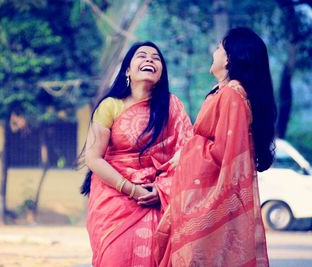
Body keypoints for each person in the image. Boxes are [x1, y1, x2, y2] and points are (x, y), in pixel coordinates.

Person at [154, 27, 276, 266]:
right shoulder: (228, 93)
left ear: (230, 58)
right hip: (208, 192)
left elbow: (225, 153)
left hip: (211, 199)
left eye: (219, 47)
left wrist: (187, 153)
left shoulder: (232, 95)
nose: (214, 51)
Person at [81, 41, 193, 267]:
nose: (150, 59)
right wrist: (133, 190)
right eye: (142, 56)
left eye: (156, 58)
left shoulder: (172, 107)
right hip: (113, 201)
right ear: (128, 70)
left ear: (161, 72)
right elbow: (93, 158)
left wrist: (162, 190)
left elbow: (188, 153)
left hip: (158, 200)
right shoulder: (110, 106)